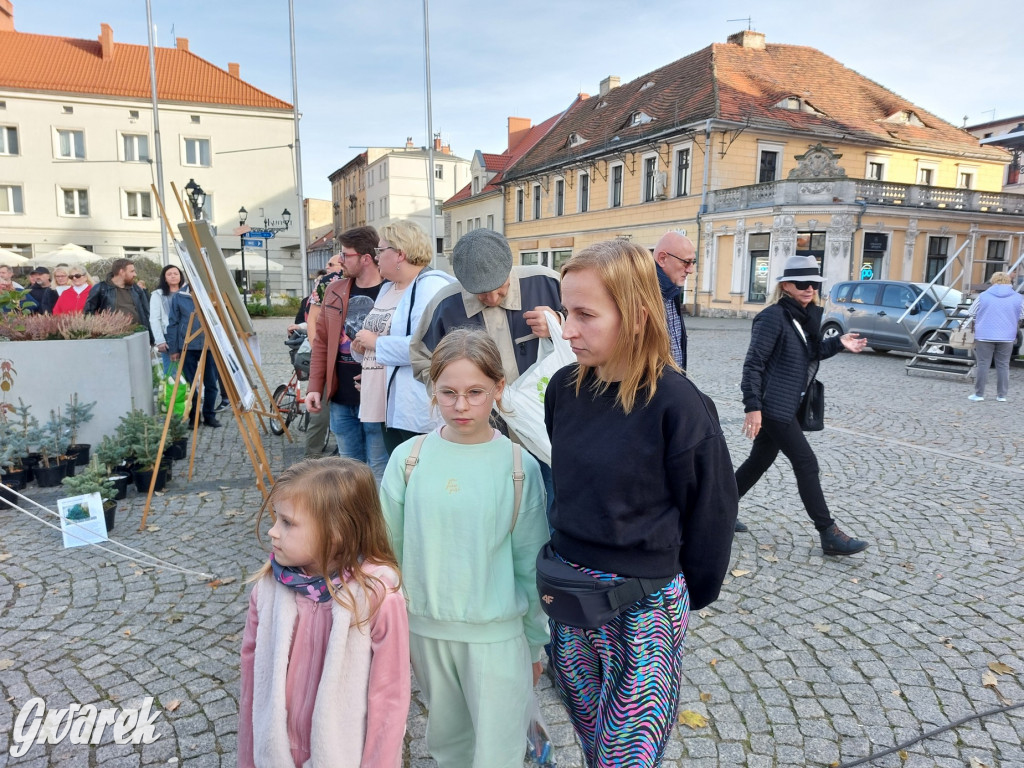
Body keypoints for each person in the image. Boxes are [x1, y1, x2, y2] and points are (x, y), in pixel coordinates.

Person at [543, 240, 737, 767]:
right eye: (566, 312)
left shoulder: (678, 403)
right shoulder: (562, 389)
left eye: (585, 314)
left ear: (635, 315)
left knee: (624, 761)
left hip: (643, 607)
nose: (567, 330)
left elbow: (713, 510)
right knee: (590, 745)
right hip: (571, 599)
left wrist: (676, 597)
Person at [379, 329, 548, 768]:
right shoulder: (408, 459)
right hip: (426, 633)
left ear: (498, 388)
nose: (461, 405)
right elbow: (387, 554)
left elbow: (530, 564)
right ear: (432, 391)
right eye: (448, 392)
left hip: (496, 637)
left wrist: (534, 644)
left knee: (498, 753)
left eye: (475, 392)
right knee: (449, 748)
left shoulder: (518, 465)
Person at [239, 457, 410, 768]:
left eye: (288, 522)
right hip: (278, 755)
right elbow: (253, 684)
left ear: (336, 532)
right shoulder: (268, 589)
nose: (274, 532)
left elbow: (390, 700)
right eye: (276, 518)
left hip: (344, 756)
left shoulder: (378, 597)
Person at [734, 254, 869, 553]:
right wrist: (752, 406)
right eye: (802, 283)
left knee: (760, 460)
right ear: (785, 285)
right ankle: (828, 533)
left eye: (814, 283)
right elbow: (753, 364)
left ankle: (720, 508)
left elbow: (813, 351)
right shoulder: (773, 317)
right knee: (806, 463)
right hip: (773, 406)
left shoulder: (804, 317)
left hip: (788, 404)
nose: (809, 288)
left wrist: (839, 343)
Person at [352, 220, 455, 454]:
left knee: (415, 471)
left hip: (413, 407)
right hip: (386, 402)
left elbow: (427, 346)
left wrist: (376, 344)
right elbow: (376, 341)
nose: (376, 257)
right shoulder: (388, 288)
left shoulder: (430, 286)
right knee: (397, 471)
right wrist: (363, 352)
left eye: (380, 250)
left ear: (400, 254)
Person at [305, 227, 387, 479]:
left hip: (376, 394)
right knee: (349, 472)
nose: (340, 260)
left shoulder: (393, 291)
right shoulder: (335, 289)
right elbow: (321, 343)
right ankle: (354, 520)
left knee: (378, 470)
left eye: (345, 255)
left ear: (365, 258)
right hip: (340, 396)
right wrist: (314, 387)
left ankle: (379, 520)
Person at [301, 255, 345, 457]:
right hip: (328, 358)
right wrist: (319, 352)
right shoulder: (325, 283)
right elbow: (313, 321)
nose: (327, 268)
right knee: (320, 414)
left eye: (331, 263)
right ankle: (312, 458)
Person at [165, 286, 220, 428]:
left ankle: (209, 415)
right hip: (187, 346)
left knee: (211, 384)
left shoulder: (211, 292)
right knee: (191, 384)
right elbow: (173, 323)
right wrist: (173, 349)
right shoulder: (179, 296)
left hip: (208, 346)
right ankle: (194, 416)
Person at [967, 271, 1024, 402]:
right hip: (1007, 336)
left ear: (993, 281)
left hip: (984, 335)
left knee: (983, 364)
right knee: (1003, 365)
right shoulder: (1017, 297)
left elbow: (971, 312)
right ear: (1008, 282)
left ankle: (979, 394)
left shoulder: (983, 296)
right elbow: (1022, 315)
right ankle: (1002, 395)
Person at [652, 231, 697, 371]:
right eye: (686, 262)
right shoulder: (644, 293)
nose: (691, 270)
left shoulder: (671, 287)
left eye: (693, 262)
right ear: (662, 258)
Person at [83, 258, 152, 341]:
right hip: (113, 337)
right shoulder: (101, 288)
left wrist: (151, 338)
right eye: (132, 271)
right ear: (122, 272)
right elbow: (88, 312)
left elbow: (146, 313)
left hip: (138, 334)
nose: (135, 274)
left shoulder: (136, 289)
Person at [150, 265, 186, 376]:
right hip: (169, 336)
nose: (173, 276)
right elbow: (154, 319)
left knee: (188, 369)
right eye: (169, 274)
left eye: (176, 274)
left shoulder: (187, 292)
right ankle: (173, 393)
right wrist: (160, 340)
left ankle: (190, 393)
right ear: (164, 278)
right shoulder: (157, 295)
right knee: (171, 370)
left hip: (187, 335)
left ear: (180, 276)